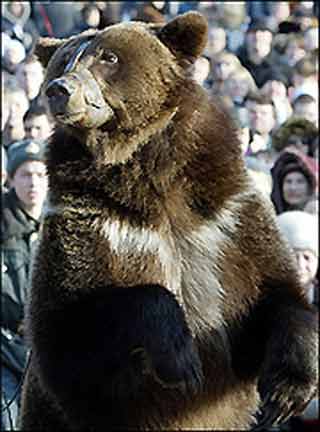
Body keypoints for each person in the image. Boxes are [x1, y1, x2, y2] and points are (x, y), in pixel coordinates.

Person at [1, 139, 48, 430]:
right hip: (5, 348)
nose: (34, 183)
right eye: (25, 174)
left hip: (48, 347)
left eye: (41, 174)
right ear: (11, 179)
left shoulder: (62, 225)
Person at [270, 148, 317, 215]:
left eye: (300, 181)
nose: (293, 188)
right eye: (288, 182)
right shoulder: (272, 216)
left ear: (309, 187)